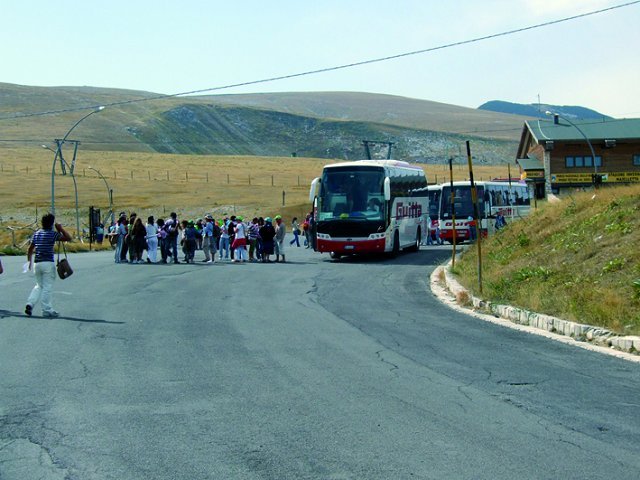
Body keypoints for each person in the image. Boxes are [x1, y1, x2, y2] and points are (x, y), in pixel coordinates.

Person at [25, 213, 72, 318]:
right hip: (48, 263)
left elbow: (30, 249)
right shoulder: (52, 234)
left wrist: (29, 262)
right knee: (47, 286)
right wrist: (60, 228)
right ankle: (47, 309)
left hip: (37, 263)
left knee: (38, 285)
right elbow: (68, 238)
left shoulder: (37, 234)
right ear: (51, 224)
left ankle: (30, 303)